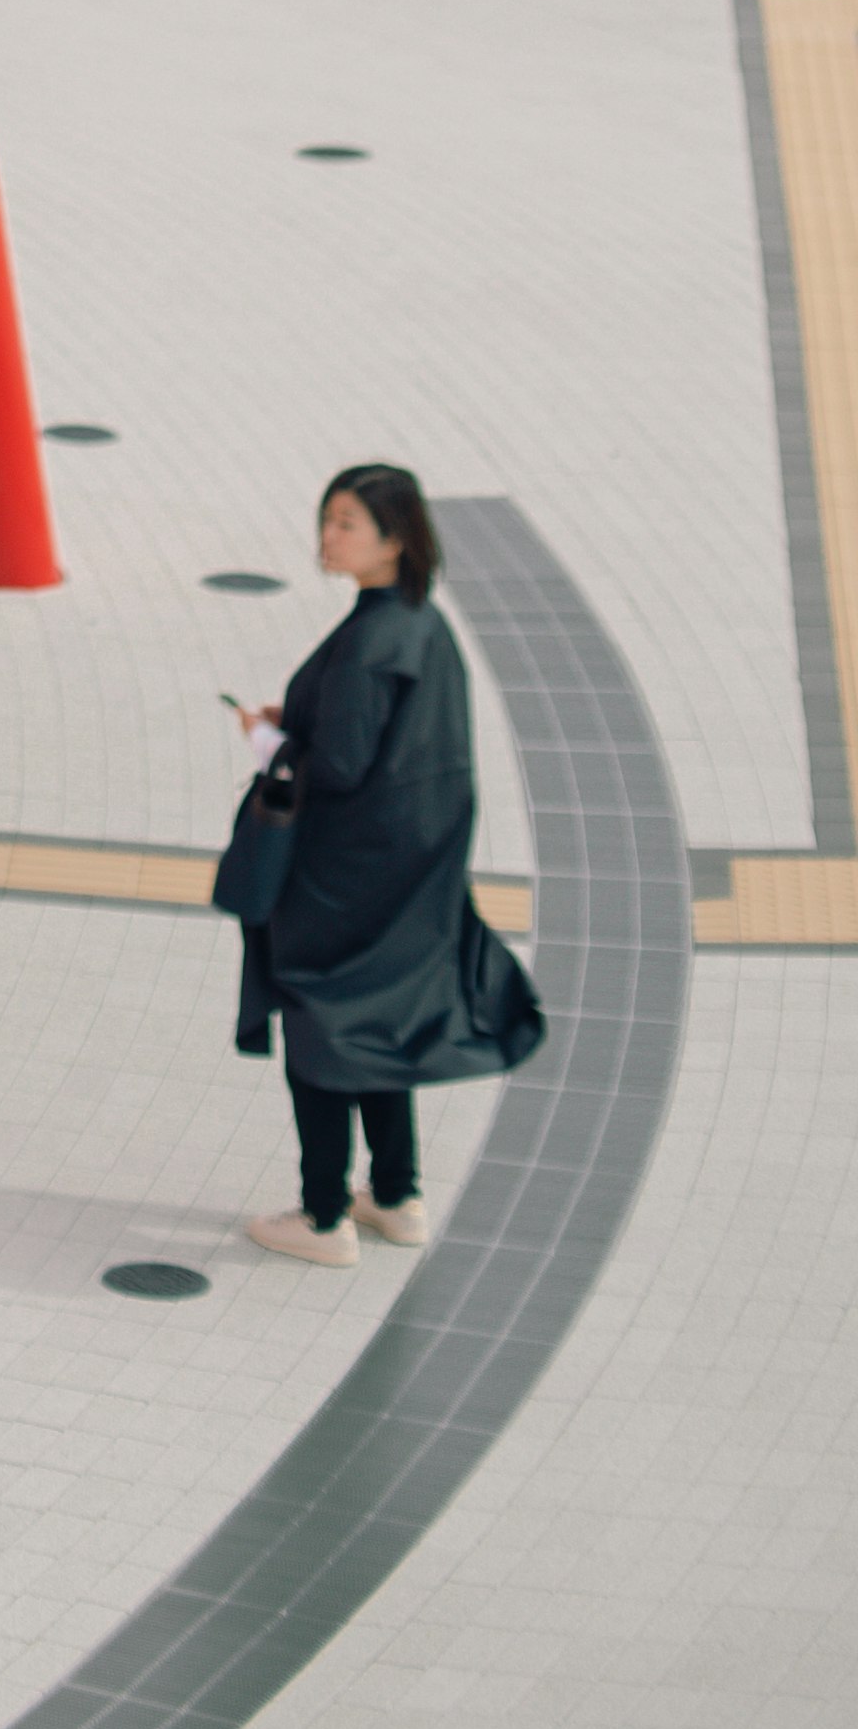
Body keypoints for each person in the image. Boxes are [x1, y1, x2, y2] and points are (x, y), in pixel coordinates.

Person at [214, 463, 546, 1263]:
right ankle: (396, 1195)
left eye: (347, 524)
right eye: (327, 519)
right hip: (409, 878)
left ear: (396, 539)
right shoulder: (419, 624)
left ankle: (323, 1215)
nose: (328, 537)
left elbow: (339, 766)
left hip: (340, 883)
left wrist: (272, 742)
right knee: (378, 1028)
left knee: (321, 1033)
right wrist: (298, 720)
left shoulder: (369, 642)